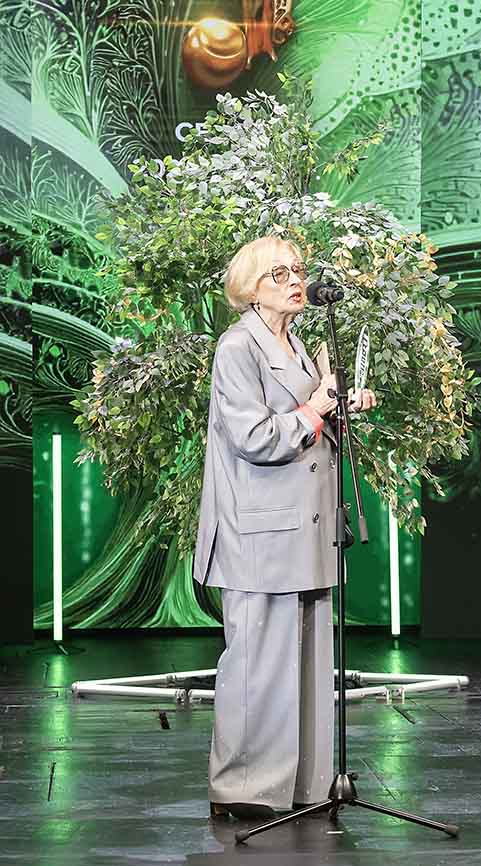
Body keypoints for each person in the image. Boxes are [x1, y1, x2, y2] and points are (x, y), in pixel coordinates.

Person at [194, 235, 376, 818]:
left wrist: (342, 408)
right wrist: (315, 408)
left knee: (308, 667)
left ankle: (303, 785)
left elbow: (312, 424)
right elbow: (252, 436)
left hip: (308, 528)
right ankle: (244, 789)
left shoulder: (300, 344)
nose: (296, 280)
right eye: (280, 273)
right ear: (251, 288)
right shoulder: (237, 348)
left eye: (298, 269)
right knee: (259, 666)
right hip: (260, 533)